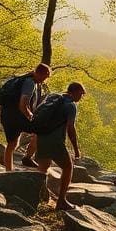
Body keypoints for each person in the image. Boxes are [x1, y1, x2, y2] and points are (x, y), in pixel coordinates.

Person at [33, 82, 86, 211]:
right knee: (68, 167)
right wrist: (76, 149)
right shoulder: (71, 105)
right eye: (81, 93)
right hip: (56, 142)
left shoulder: (53, 97)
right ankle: (61, 201)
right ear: (74, 91)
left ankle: (34, 199)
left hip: (42, 138)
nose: (82, 96)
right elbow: (70, 128)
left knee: (42, 169)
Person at [0, 63, 51, 170]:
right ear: (41, 73)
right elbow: (23, 105)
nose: (45, 80)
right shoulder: (29, 83)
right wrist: (31, 116)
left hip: (6, 115)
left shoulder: (22, 79)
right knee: (42, 131)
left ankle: (8, 171)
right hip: (18, 116)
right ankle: (30, 159)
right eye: (45, 77)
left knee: (12, 144)